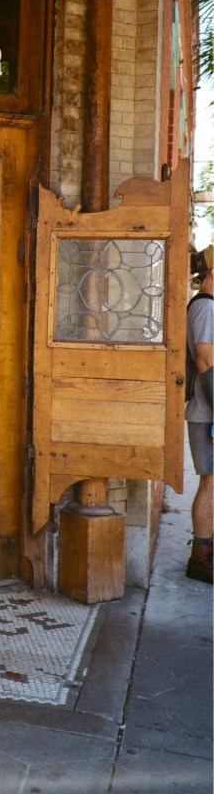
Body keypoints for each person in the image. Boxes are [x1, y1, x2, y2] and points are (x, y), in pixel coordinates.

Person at [185, 243, 213, 584]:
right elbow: (206, 362)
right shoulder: (205, 307)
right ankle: (200, 559)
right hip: (208, 413)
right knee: (211, 483)